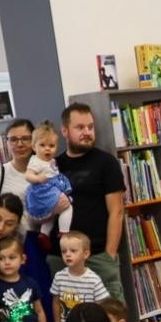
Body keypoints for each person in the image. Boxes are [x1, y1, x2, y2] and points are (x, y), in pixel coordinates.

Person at [52, 102, 126, 300]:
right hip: (62, 258)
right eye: (80, 127)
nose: (87, 132)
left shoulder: (106, 163)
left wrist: (109, 255)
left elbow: (117, 212)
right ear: (65, 131)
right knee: (71, 319)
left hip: (98, 255)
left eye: (90, 127)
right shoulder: (54, 166)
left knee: (111, 318)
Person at [48, 231, 109, 322]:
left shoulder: (93, 280)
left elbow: (103, 306)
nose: (68, 254)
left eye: (73, 251)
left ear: (86, 254)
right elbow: (56, 303)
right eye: (64, 251)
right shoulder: (59, 277)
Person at [23, 120, 73, 234]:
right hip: (44, 191)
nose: (47, 148)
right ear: (34, 147)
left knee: (50, 215)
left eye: (51, 146)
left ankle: (44, 235)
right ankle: (64, 231)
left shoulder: (52, 161)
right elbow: (28, 175)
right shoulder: (36, 161)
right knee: (68, 207)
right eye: (42, 145)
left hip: (50, 190)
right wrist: (38, 179)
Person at [0, 118, 36, 214]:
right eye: (13, 139)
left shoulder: (47, 170)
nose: (20, 144)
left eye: (25, 138)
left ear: (34, 140)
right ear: (6, 142)